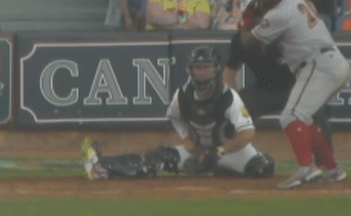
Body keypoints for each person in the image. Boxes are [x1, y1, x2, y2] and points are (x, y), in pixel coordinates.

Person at [81, 46, 276, 180]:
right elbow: (178, 123)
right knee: (157, 159)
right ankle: (101, 166)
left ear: (216, 69)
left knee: (263, 168)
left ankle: (217, 170)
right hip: (201, 151)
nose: (201, 72)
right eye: (197, 68)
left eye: (206, 67)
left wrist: (219, 153)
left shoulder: (229, 97)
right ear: (190, 70)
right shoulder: (182, 96)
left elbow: (248, 133)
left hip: (229, 150)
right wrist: (197, 149)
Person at [241, 0, 349, 189]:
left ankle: (306, 168)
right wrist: (262, 11)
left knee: (291, 116)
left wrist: (249, 18)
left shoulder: (279, 14)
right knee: (304, 116)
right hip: (333, 62)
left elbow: (250, 43)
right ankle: (331, 169)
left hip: (317, 65)